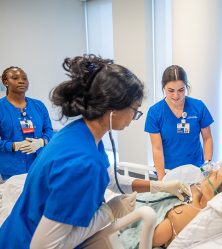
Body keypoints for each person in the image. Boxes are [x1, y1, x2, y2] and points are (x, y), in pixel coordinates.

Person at [0, 55, 191, 249]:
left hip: (14, 232)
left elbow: (107, 178)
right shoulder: (83, 163)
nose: (135, 116)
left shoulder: (81, 132)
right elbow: (45, 247)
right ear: (113, 109)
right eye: (135, 110)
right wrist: (109, 212)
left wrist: (158, 186)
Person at [145, 65, 214, 180]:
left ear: (186, 87)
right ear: (163, 88)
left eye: (181, 90)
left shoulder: (198, 107)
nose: (176, 95)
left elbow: (207, 138)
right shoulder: (155, 112)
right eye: (171, 90)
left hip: (196, 170)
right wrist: (162, 178)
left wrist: (207, 165)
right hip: (169, 171)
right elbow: (157, 148)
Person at [0, 66, 53, 181]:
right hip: (12, 170)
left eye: (24, 78)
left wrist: (41, 142)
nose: (21, 81)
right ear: (5, 82)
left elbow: (49, 130)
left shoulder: (38, 106)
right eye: (15, 78)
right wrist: (14, 146)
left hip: (39, 166)